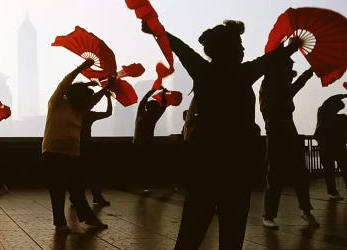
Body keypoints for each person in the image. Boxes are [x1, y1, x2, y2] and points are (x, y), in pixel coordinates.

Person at [141, 20, 300, 249]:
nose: (243, 49)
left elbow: (179, 46)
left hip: (204, 164)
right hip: (236, 166)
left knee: (191, 232)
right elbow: (268, 60)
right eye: (239, 44)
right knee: (232, 234)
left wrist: (157, 31)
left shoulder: (204, 71)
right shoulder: (244, 74)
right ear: (228, 49)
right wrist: (289, 48)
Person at [43, 59, 107, 231]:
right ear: (77, 97)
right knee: (57, 190)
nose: (88, 102)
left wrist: (107, 88)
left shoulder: (80, 110)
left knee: (77, 190)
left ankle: (88, 218)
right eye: (85, 98)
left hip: (72, 155)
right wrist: (81, 67)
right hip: (53, 153)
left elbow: (94, 98)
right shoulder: (57, 103)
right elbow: (65, 83)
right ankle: (60, 223)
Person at [259, 56, 318, 229]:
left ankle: (305, 210)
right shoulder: (270, 83)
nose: (290, 67)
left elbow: (289, 92)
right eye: (288, 64)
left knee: (300, 171)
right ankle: (269, 215)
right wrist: (307, 75)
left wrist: (306, 75)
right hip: (276, 129)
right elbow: (285, 95)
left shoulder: (280, 83)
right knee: (275, 172)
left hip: (287, 128)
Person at [81, 81, 113, 206]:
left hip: (77, 146)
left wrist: (87, 84)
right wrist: (108, 97)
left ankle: (75, 198)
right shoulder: (89, 114)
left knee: (78, 175)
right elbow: (108, 113)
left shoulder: (74, 111)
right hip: (86, 146)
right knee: (93, 173)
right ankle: (97, 197)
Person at [134, 87, 168, 193]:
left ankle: (142, 184)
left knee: (141, 165)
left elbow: (144, 100)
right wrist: (163, 94)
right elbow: (164, 106)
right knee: (147, 165)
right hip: (147, 143)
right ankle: (145, 184)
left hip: (137, 143)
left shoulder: (141, 113)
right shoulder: (154, 116)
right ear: (155, 108)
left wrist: (154, 90)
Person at [314, 94, 347, 201]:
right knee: (333, 169)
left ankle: (332, 192)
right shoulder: (324, 113)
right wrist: (343, 95)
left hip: (331, 146)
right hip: (329, 146)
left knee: (330, 170)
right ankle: (332, 192)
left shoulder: (325, 115)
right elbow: (328, 102)